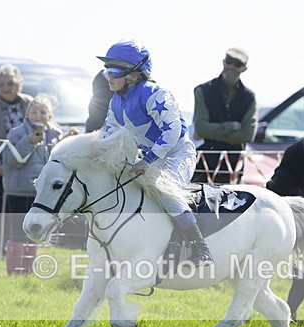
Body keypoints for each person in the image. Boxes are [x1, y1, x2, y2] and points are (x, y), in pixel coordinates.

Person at [97, 40, 212, 266]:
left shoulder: (155, 94)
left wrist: (148, 160)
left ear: (134, 75)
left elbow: (172, 132)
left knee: (166, 194)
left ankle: (201, 249)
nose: (108, 76)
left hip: (178, 153)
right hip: (152, 158)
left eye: (114, 71)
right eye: (106, 70)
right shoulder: (115, 102)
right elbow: (107, 134)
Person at [3, 94, 75, 244]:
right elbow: (12, 162)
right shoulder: (16, 133)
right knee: (17, 232)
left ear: (49, 116)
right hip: (18, 191)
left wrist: (69, 139)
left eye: (43, 112)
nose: (38, 116)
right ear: (27, 114)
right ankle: (14, 266)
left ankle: (30, 265)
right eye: (34, 112)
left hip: (41, 194)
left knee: (36, 233)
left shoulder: (56, 134)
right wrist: (29, 141)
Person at [0, 64, 34, 258]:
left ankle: (27, 250)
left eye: (10, 83)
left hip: (26, 166)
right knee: (3, 210)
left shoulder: (28, 103)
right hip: (2, 168)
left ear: (18, 84)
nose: (6, 87)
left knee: (25, 209)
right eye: (2, 84)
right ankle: (1, 248)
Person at [192, 47, 257, 184]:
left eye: (237, 64)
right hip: (203, 163)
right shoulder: (202, 90)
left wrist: (211, 132)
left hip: (232, 166)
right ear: (223, 62)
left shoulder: (250, 97)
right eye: (229, 61)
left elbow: (248, 135)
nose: (232, 66)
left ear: (244, 68)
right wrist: (231, 126)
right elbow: (201, 128)